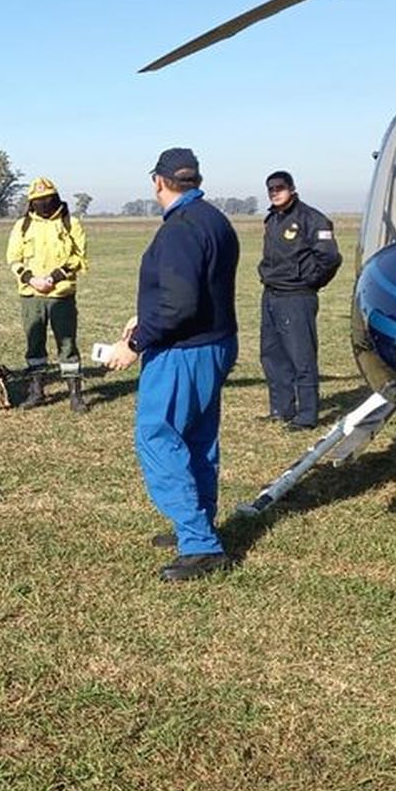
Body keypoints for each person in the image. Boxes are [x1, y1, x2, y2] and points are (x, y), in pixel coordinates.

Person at [105, 148, 240, 582]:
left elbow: (180, 305)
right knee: (198, 438)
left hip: (183, 350)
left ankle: (200, 543)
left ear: (158, 182)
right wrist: (142, 318)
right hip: (215, 343)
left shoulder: (179, 230)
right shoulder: (215, 220)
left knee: (158, 437)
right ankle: (196, 524)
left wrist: (137, 342)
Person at [258, 170, 342, 430]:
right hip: (271, 293)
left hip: (296, 297)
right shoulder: (272, 219)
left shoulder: (312, 219)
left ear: (292, 189)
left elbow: (330, 258)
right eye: (270, 189)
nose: (275, 192)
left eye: (280, 188)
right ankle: (281, 409)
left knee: (301, 357)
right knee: (272, 355)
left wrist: (309, 282)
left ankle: (307, 416)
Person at [6, 177, 90, 412]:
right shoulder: (21, 225)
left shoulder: (71, 223)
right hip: (31, 295)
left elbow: (78, 257)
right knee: (34, 345)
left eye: (47, 199)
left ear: (55, 198)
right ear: (31, 202)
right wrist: (31, 279)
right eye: (37, 200)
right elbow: (13, 258)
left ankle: (75, 394)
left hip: (61, 295)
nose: (43, 203)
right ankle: (36, 391)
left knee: (67, 343)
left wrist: (54, 277)